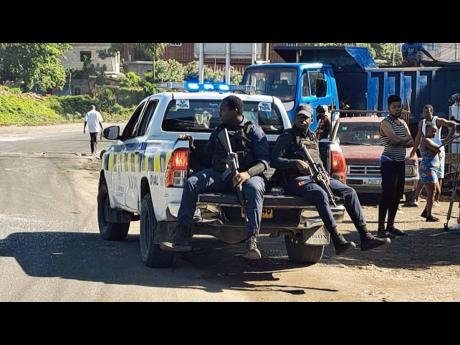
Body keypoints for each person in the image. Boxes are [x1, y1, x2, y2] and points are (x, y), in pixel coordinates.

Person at [160, 95, 270, 260]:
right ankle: (182, 235)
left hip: (248, 176)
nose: (219, 114)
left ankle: (251, 241)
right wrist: (192, 147)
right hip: (221, 176)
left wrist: (247, 174)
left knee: (254, 189)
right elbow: (206, 159)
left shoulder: (254, 131)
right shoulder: (219, 131)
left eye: (223, 110)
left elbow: (264, 162)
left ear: (235, 111)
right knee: (191, 183)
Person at [271, 105, 390, 255]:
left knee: (349, 192)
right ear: (294, 119)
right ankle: (337, 239)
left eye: (305, 118)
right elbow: (274, 160)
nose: (302, 120)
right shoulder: (286, 137)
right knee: (320, 194)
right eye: (299, 117)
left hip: (317, 176)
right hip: (295, 179)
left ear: (311, 120)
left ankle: (365, 236)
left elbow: (318, 160)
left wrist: (325, 175)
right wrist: (294, 163)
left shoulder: (312, 136)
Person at [378, 95, 414, 238]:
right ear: (389, 108)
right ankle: (381, 228)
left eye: (399, 106)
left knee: (397, 195)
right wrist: (403, 140)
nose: (398, 109)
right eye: (394, 106)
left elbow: (411, 141)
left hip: (400, 162)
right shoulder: (385, 123)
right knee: (387, 194)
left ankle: (391, 225)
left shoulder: (402, 123)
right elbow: (393, 140)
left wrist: (402, 140)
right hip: (389, 162)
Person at [410, 104, 455, 207]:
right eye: (424, 111)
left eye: (428, 111)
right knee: (424, 174)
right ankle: (416, 198)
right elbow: (418, 136)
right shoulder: (422, 123)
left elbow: (452, 125)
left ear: (432, 112)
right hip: (427, 151)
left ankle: (436, 199)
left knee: (438, 175)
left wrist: (446, 140)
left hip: (437, 151)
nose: (426, 113)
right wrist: (414, 150)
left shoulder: (438, 121)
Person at [419, 124, 441, 221]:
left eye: (435, 131)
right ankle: (429, 216)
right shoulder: (425, 140)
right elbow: (437, 149)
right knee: (431, 192)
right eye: (432, 131)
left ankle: (425, 212)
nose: (434, 133)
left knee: (437, 192)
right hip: (428, 169)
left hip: (433, 169)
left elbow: (437, 148)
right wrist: (439, 146)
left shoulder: (431, 140)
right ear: (426, 130)